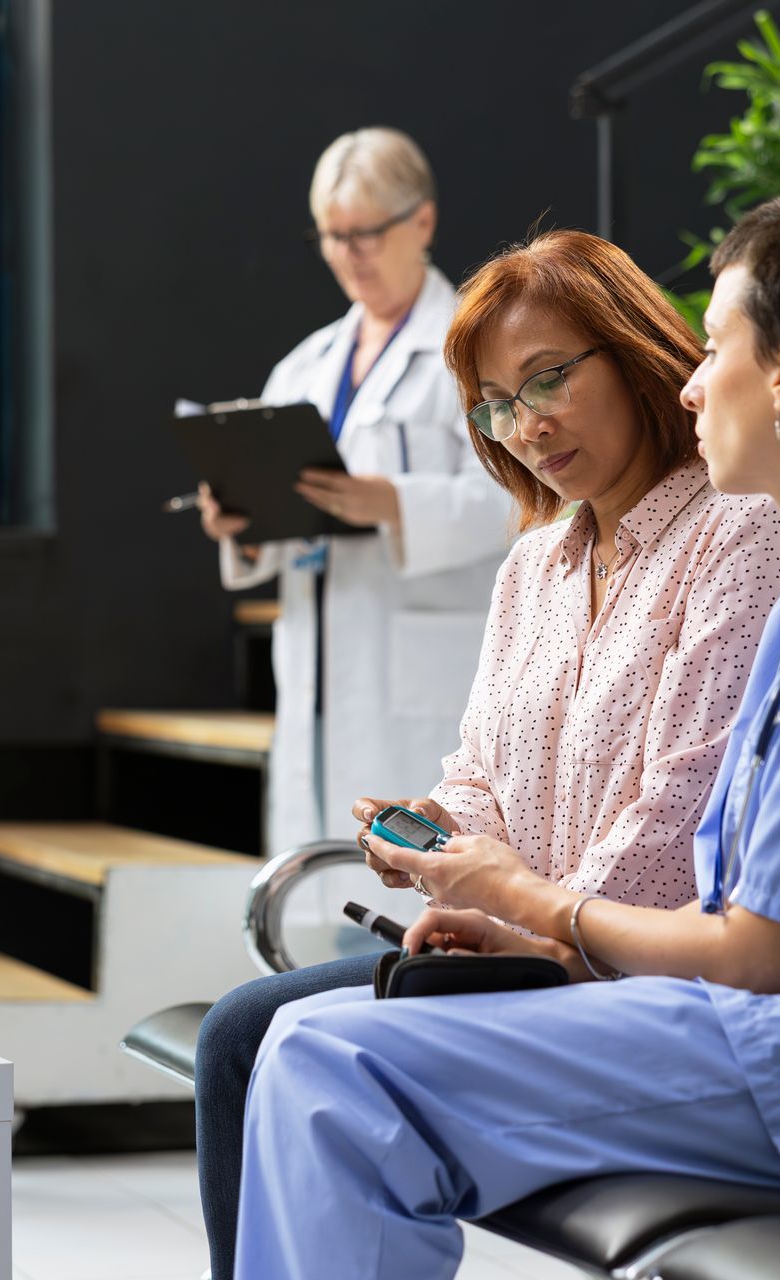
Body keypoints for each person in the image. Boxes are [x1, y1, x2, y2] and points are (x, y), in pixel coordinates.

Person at [231, 185, 780, 1279]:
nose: (689, 382)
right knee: (311, 1048)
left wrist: (536, 904)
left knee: (334, 1066)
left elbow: (759, 952)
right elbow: (743, 911)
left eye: (713, 350)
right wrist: (548, 938)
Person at [193, 229, 780, 1280]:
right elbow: (484, 766)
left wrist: (520, 918)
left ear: (638, 348)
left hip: (630, 962)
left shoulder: (736, 532)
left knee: (260, 1039)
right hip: (533, 935)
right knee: (241, 1035)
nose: (528, 425)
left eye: (549, 378)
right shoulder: (538, 562)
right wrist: (433, 839)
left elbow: (678, 821)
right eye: (495, 404)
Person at [197, 127, 510, 859]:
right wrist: (242, 523)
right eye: (333, 237)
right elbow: (276, 530)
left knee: (414, 898)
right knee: (311, 896)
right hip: (315, 667)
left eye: (366, 233)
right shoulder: (305, 368)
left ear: (422, 221)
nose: (349, 255)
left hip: (425, 670)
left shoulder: (474, 348)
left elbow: (529, 504)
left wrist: (395, 506)